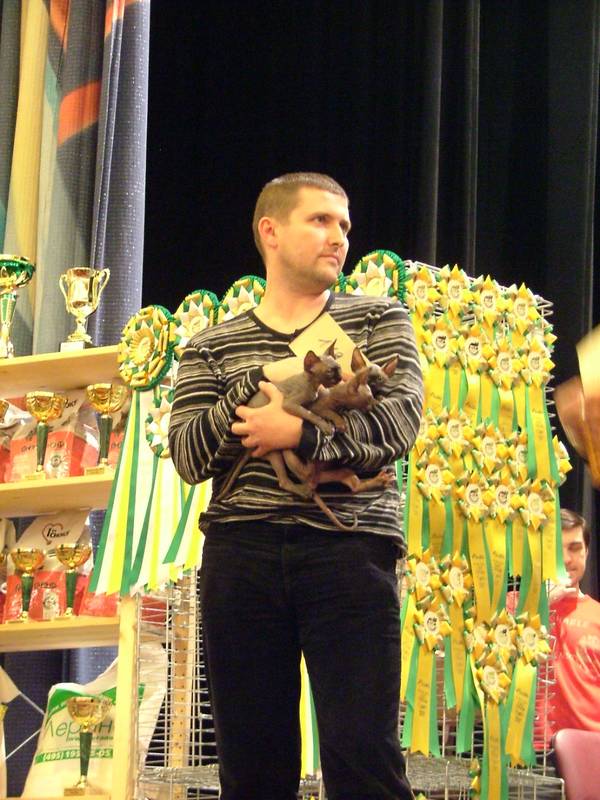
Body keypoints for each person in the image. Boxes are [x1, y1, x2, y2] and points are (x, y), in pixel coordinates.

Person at [168, 172, 423, 800]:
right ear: (271, 231)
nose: (339, 237)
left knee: (364, 757)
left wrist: (299, 433)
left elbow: (399, 424)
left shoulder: (379, 318)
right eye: (321, 220)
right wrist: (257, 388)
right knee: (251, 767)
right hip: (241, 554)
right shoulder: (211, 346)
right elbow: (189, 455)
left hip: (350, 551)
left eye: (344, 225)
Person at [542, 508, 600, 739]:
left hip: (589, 749)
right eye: (557, 550)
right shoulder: (514, 606)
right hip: (527, 752)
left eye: (575, 549)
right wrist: (541, 605)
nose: (566, 559)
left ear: (587, 552)